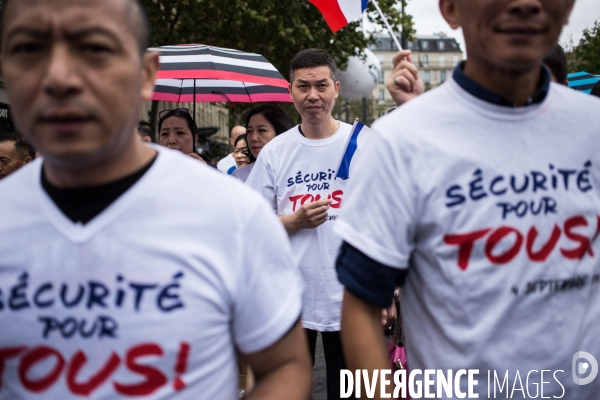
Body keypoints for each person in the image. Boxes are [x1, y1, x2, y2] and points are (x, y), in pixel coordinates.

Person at [0, 1, 312, 400]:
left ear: (144, 74)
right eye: (29, 49)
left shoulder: (233, 213)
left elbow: (284, 367)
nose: (59, 77)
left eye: (94, 49)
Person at [335, 0, 600, 398]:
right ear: (451, 9)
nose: (526, 4)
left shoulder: (592, 126)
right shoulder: (399, 141)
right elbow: (360, 308)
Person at [247, 48, 355, 400]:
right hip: (289, 298)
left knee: (348, 392)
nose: (313, 96)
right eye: (303, 86)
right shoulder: (276, 152)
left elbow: (386, 222)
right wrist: (294, 221)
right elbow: (251, 228)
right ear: (290, 91)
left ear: (336, 88)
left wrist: (390, 289)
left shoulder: (363, 143)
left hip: (350, 298)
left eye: (321, 85)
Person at [231, 104, 293, 183]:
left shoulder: (298, 173)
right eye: (249, 131)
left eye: (262, 130)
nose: (253, 138)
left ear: (279, 133)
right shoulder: (238, 178)